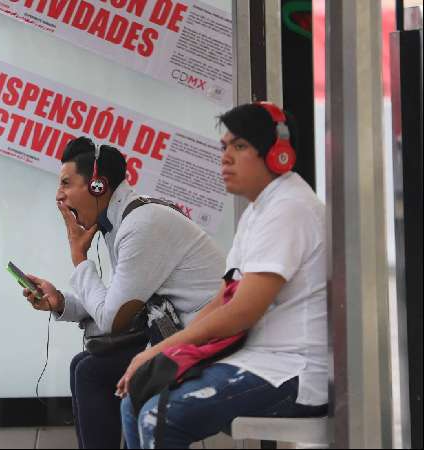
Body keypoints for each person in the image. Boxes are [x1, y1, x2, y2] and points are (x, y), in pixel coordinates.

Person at [118, 102, 329, 449]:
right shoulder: (258, 210)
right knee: (136, 398)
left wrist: (159, 351)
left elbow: (242, 312)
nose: (226, 157)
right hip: (257, 362)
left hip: (292, 372)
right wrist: (170, 354)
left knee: (160, 417)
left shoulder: (290, 207)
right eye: (224, 147)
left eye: (240, 146)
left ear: (277, 154)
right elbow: (222, 298)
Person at [21, 136, 225, 449]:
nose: (59, 196)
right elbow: (119, 303)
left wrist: (78, 257)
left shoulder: (140, 225)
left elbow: (113, 319)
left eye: (66, 184)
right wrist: (61, 302)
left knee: (90, 370)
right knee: (86, 366)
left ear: (98, 186)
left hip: (205, 342)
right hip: (179, 333)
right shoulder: (125, 221)